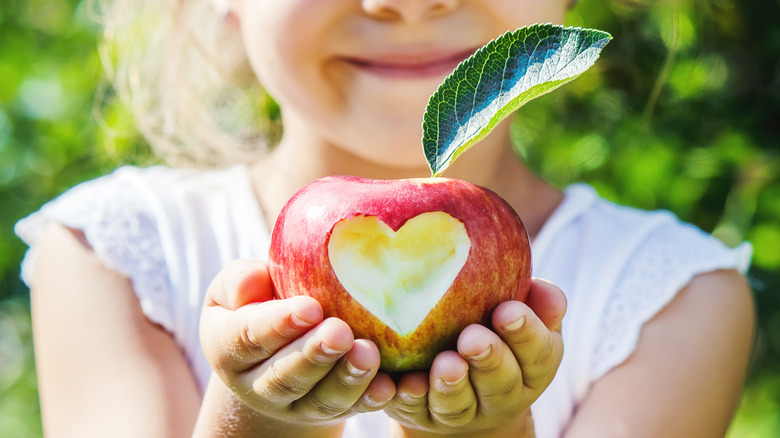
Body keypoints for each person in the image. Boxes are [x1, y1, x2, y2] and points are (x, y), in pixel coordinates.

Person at [14, 0, 755, 437]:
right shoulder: (113, 256)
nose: (408, 0)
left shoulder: (671, 299)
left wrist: (485, 431)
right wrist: (261, 420)